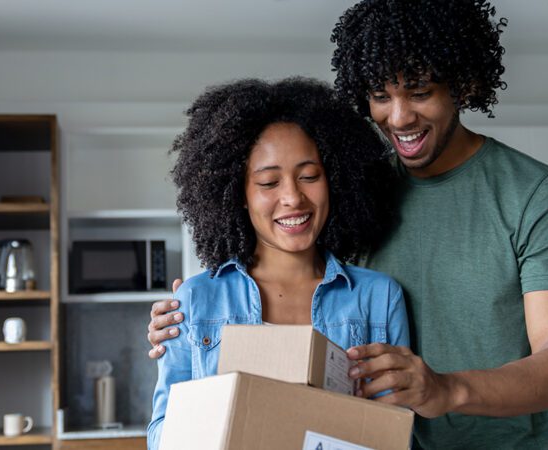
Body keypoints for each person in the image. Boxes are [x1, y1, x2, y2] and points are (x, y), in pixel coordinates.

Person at [148, 1, 548, 448]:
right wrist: (189, 316)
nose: (398, 117)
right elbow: (289, 265)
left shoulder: (536, 196)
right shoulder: (355, 191)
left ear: (464, 84)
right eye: (381, 96)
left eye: (419, 92)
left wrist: (446, 389)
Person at [146, 77, 410, 449]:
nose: (293, 197)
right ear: (238, 193)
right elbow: (160, 435)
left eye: (309, 176)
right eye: (269, 183)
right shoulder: (196, 301)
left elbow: (397, 434)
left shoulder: (378, 298)